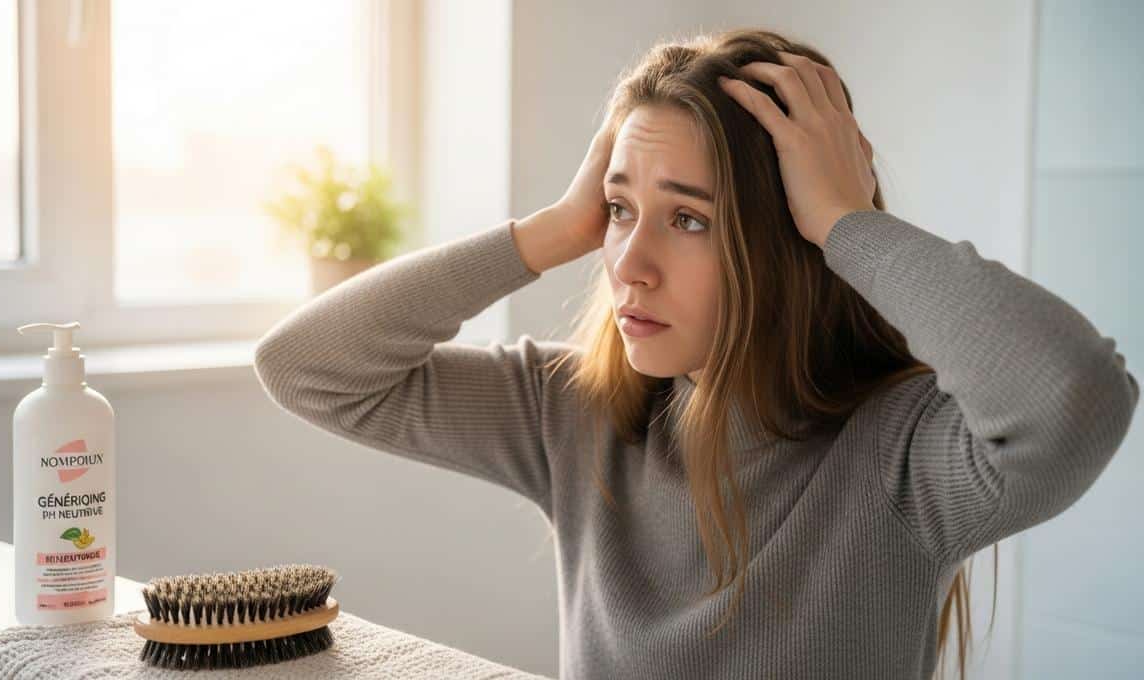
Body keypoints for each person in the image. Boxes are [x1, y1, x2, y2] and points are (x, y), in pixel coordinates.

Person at [253, 27, 1139, 680]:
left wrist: (848, 223)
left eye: (688, 218)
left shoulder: (903, 457)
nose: (628, 266)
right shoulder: (577, 413)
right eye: (618, 210)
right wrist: (556, 228)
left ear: (789, 241)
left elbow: (1075, 398)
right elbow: (306, 366)